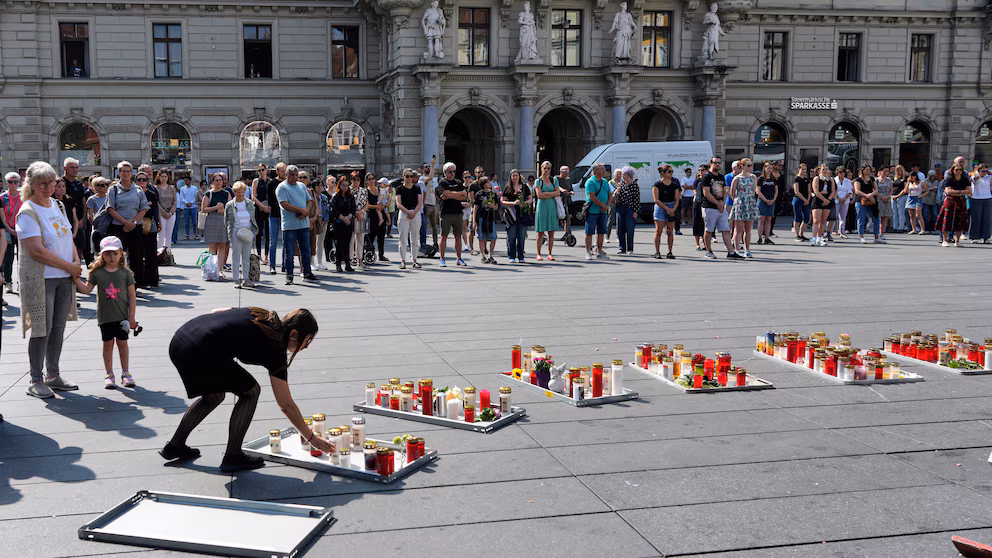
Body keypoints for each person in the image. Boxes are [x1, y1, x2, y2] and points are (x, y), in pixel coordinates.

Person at [161, 307, 330, 472]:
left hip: (180, 340)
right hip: (199, 350)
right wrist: (312, 438)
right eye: (307, 340)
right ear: (294, 334)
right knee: (251, 392)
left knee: (214, 396)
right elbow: (285, 404)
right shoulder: (276, 350)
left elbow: (216, 312)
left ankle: (175, 446)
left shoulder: (261, 314)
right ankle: (233, 456)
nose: (306, 346)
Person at [15, 161, 81, 398]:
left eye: (51, 182)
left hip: (63, 278)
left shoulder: (58, 205)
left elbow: (67, 238)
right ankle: (35, 379)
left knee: (58, 330)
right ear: (31, 184)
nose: (48, 187)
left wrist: (75, 263)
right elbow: (37, 251)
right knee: (42, 329)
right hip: (42, 279)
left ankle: (53, 375)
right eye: (42, 183)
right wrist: (70, 267)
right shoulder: (27, 211)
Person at [72, 236, 137, 388]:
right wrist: (75, 280)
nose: (111, 257)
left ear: (121, 253)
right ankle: (109, 374)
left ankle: (126, 373)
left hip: (122, 317)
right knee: (107, 344)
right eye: (107, 254)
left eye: (115, 253)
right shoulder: (97, 273)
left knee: (122, 344)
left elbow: (132, 295)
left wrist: (131, 317)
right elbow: (87, 289)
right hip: (105, 317)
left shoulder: (126, 273)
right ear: (101, 255)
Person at [105, 162, 150, 285]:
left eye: (128, 171)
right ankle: (118, 284)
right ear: (118, 173)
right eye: (123, 171)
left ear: (132, 173)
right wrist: (125, 222)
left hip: (135, 227)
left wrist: (133, 222)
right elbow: (110, 209)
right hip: (118, 228)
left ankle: (135, 285)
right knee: (117, 258)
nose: (125, 173)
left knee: (137, 258)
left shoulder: (138, 189)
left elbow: (144, 208)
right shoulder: (113, 189)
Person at [276, 165, 317, 284]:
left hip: (303, 224)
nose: (294, 177)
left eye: (296, 175)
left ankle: (307, 272)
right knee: (289, 252)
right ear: (286, 175)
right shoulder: (282, 187)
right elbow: (285, 204)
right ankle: (289, 275)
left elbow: (310, 200)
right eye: (292, 175)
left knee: (306, 250)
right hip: (289, 226)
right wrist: (301, 210)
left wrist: (307, 211)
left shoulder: (301, 186)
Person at [700, 159, 739, 259]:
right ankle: (709, 251)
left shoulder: (721, 176)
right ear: (710, 164)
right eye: (715, 163)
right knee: (709, 230)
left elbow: (725, 190)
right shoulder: (707, 176)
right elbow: (706, 193)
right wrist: (717, 203)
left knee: (726, 229)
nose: (717, 164)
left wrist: (723, 203)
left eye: (719, 163)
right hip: (709, 207)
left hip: (721, 207)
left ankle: (731, 252)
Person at [225, 181, 258, 288]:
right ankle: (236, 279)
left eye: (242, 192)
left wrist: (252, 232)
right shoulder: (229, 205)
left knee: (246, 256)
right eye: (238, 192)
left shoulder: (249, 203)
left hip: (248, 231)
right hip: (236, 231)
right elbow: (226, 220)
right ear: (234, 192)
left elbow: (253, 218)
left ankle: (246, 279)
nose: (241, 194)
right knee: (236, 256)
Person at [201, 173, 231, 280]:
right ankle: (211, 269)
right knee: (212, 246)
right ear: (212, 182)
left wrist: (224, 210)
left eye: (220, 180)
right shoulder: (208, 193)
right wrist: (216, 207)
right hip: (212, 220)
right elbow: (204, 209)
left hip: (223, 220)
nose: (218, 182)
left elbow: (230, 207)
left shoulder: (226, 193)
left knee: (222, 245)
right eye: (216, 180)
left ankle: (219, 269)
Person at [437, 162, 467, 267]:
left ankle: (459, 258)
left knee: (458, 236)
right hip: (446, 212)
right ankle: (442, 258)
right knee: (443, 236)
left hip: (458, 212)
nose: (452, 173)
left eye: (454, 171)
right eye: (450, 171)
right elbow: (445, 194)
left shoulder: (459, 182)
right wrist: (456, 195)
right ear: (445, 172)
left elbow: (464, 196)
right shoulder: (442, 183)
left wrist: (451, 195)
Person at [134, 171, 160, 288]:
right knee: (137, 253)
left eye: (143, 180)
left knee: (151, 253)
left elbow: (152, 208)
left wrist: (159, 222)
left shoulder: (152, 193)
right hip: (135, 224)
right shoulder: (132, 193)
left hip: (149, 224)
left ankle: (152, 279)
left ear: (147, 181)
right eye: (139, 179)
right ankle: (139, 280)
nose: (141, 182)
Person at [728, 158, 757, 257]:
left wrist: (750, 201)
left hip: (750, 202)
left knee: (748, 229)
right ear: (743, 166)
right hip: (740, 203)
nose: (750, 168)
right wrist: (738, 201)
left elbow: (753, 191)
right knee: (738, 229)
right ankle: (736, 249)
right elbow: (732, 193)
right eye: (748, 165)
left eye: (751, 165)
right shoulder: (737, 178)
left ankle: (747, 249)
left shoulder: (753, 177)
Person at [396, 168, 424, 269]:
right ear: (403, 177)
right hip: (404, 213)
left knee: (415, 238)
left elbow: (420, 202)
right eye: (407, 176)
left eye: (411, 176)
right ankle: (403, 261)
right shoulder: (399, 188)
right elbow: (398, 204)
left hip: (415, 213)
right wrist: (408, 212)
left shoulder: (416, 188)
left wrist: (414, 212)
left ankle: (414, 260)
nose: (409, 178)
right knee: (403, 238)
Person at [501, 169, 531, 263]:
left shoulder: (524, 187)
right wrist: (513, 203)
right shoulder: (508, 187)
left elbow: (530, 199)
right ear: (510, 177)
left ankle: (521, 256)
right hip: (511, 215)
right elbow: (502, 201)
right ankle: (511, 256)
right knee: (511, 237)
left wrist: (524, 203)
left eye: (516, 175)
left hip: (522, 215)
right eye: (513, 175)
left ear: (519, 176)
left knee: (521, 237)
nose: (514, 177)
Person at [534, 161, 562, 261]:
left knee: (551, 232)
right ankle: (538, 253)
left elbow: (558, 193)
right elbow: (539, 195)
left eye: (548, 168)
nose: (546, 170)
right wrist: (551, 193)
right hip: (542, 206)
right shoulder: (538, 181)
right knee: (540, 232)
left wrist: (546, 193)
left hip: (551, 206)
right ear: (541, 168)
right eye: (544, 168)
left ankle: (550, 253)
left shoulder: (554, 180)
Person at [651, 164, 680, 259]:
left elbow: (677, 199)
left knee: (670, 231)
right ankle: (657, 251)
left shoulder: (675, 185)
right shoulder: (657, 185)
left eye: (672, 171)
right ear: (663, 173)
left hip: (671, 206)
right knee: (658, 231)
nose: (671, 173)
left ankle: (670, 251)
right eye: (669, 171)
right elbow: (656, 199)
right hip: (660, 207)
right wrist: (666, 208)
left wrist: (673, 209)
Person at [583, 163, 612, 260]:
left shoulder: (605, 181)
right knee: (589, 232)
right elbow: (592, 197)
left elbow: (610, 194)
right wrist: (602, 205)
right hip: (592, 211)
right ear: (596, 171)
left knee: (601, 232)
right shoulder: (590, 182)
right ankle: (588, 251)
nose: (605, 171)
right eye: (603, 169)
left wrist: (607, 205)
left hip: (603, 211)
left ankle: (599, 251)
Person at [62, 158, 88, 264]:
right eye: (72, 167)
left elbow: (83, 203)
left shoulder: (78, 184)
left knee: (80, 247)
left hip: (80, 221)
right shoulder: (60, 183)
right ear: (65, 168)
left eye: (76, 167)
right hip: (66, 220)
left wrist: (83, 219)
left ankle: (77, 271)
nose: (75, 170)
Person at [939, 164, 971, 247]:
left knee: (959, 221)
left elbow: (970, 191)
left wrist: (956, 191)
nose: (958, 171)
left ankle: (957, 241)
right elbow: (948, 191)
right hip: (950, 201)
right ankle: (944, 240)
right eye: (957, 169)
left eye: (960, 169)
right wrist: (962, 192)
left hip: (961, 201)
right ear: (953, 170)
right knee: (947, 220)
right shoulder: (949, 179)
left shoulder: (965, 179)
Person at [330, 175, 357, 272]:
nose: (345, 187)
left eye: (346, 185)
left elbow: (354, 208)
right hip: (339, 222)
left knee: (347, 244)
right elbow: (333, 210)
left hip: (348, 222)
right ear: (339, 185)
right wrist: (342, 217)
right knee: (339, 244)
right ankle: (338, 264)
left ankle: (347, 264)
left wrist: (349, 216)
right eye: (343, 185)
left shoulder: (350, 196)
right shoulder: (336, 196)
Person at [2, 172, 22, 294]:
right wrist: (9, 229)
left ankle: (21, 282)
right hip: (7, 230)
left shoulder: (24, 196)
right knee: (8, 258)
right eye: (10, 181)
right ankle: (8, 282)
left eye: (15, 182)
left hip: (22, 231)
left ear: (19, 182)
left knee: (23, 259)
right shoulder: (2, 197)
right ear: (6, 183)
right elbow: (1, 216)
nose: (13, 184)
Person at [854, 163, 883, 244]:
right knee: (861, 218)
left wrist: (872, 194)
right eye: (867, 169)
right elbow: (857, 191)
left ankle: (876, 236)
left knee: (876, 218)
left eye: (869, 170)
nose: (868, 171)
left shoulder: (872, 179)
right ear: (862, 170)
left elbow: (876, 189)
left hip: (872, 199)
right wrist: (866, 195)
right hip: (861, 200)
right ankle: (861, 236)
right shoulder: (858, 180)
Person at [473, 176, 499, 264]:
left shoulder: (493, 194)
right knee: (481, 237)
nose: (490, 183)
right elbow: (475, 208)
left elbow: (496, 207)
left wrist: (492, 206)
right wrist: (474, 221)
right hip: (481, 218)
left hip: (491, 218)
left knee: (493, 237)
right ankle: (483, 255)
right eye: (488, 182)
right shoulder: (479, 194)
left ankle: (491, 255)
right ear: (484, 185)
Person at [266, 163, 287, 273]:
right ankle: (272, 265)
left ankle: (284, 264)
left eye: (285, 171)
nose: (284, 173)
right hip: (274, 214)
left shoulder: (287, 183)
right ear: (277, 171)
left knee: (285, 240)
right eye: (282, 171)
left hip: (286, 215)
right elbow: (270, 200)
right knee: (273, 241)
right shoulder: (271, 183)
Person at [615, 166, 640, 255]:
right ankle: (622, 248)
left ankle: (630, 248)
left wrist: (635, 211)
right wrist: (618, 190)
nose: (622, 176)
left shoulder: (635, 186)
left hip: (630, 209)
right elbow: (616, 197)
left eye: (624, 175)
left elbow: (636, 199)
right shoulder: (622, 185)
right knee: (620, 229)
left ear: (629, 176)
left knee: (629, 229)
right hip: (621, 208)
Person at [809, 164, 835, 247]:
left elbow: (833, 191)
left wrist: (828, 200)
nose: (825, 171)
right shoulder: (816, 178)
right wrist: (823, 200)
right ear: (819, 171)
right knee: (816, 220)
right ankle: (813, 238)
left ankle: (819, 237)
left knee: (823, 221)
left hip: (827, 199)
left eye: (826, 169)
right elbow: (815, 190)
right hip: (818, 199)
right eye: (823, 169)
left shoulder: (831, 179)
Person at [755, 162, 778, 245]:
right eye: (768, 168)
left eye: (771, 168)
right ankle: (760, 237)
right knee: (761, 219)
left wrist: (773, 199)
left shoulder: (773, 179)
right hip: (762, 201)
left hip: (771, 201)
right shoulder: (761, 179)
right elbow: (758, 191)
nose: (769, 170)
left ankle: (767, 238)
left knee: (769, 220)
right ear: (764, 168)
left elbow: (776, 190)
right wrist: (765, 200)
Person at [367, 176, 389, 262]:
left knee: (381, 237)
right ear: (366, 181)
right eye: (369, 179)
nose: (372, 180)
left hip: (381, 214)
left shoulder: (381, 190)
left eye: (373, 178)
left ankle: (381, 255)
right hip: (371, 215)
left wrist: (384, 206)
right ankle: (369, 254)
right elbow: (366, 205)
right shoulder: (366, 191)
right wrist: (376, 206)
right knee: (370, 237)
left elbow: (387, 201)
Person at [969, 164, 992, 243]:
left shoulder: (988, 177)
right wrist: (978, 174)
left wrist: (989, 173)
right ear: (979, 171)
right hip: (977, 198)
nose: (984, 173)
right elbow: (973, 179)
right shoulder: (975, 177)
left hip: (987, 198)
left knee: (987, 219)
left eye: (986, 171)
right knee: (976, 218)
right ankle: (974, 237)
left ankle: (986, 237)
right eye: (983, 171)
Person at [156, 170, 178, 252]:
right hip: (161, 214)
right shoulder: (156, 188)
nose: (164, 178)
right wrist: (164, 213)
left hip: (171, 214)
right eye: (162, 176)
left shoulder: (172, 188)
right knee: (160, 235)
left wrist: (170, 213)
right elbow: (156, 203)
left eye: (165, 176)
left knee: (168, 236)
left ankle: (168, 254)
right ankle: (159, 254)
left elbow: (175, 202)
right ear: (159, 177)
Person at [352, 173, 370, 269]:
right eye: (354, 180)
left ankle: (360, 260)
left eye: (358, 180)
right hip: (352, 216)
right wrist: (355, 212)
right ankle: (350, 258)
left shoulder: (364, 190)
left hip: (363, 215)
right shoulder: (349, 190)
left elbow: (367, 204)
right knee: (351, 239)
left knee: (361, 239)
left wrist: (361, 211)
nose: (356, 182)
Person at [312, 178, 330, 270]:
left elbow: (327, 210)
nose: (319, 187)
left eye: (321, 185)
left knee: (320, 242)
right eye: (317, 185)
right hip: (314, 219)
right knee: (312, 242)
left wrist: (325, 220)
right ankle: (312, 262)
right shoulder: (311, 196)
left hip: (323, 220)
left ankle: (320, 262)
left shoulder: (324, 197)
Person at [832, 166, 854, 239]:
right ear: (837, 173)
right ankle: (830, 231)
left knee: (843, 217)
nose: (842, 174)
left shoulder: (848, 181)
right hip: (836, 199)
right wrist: (839, 198)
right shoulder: (834, 180)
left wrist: (844, 199)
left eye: (843, 172)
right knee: (833, 216)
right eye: (840, 172)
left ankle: (842, 231)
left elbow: (849, 191)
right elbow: (833, 190)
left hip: (845, 200)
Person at [792, 164, 811, 242]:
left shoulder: (807, 180)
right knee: (797, 217)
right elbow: (796, 191)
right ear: (799, 169)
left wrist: (808, 199)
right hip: (798, 200)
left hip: (806, 200)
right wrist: (804, 199)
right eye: (802, 169)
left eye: (805, 169)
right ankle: (797, 235)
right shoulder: (797, 179)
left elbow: (809, 191)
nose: (804, 171)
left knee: (807, 217)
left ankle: (801, 233)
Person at [692, 164, 708, 251]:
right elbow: (695, 192)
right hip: (698, 203)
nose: (701, 171)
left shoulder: (708, 180)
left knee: (705, 224)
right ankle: (697, 243)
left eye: (702, 170)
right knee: (696, 222)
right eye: (699, 170)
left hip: (706, 203)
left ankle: (705, 243)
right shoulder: (697, 181)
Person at [555, 165, 573, 237]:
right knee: (558, 217)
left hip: (567, 200)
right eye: (565, 171)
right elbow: (556, 186)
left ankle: (567, 233)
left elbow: (571, 188)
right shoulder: (556, 178)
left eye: (568, 171)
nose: (567, 173)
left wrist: (571, 192)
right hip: (559, 200)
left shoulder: (569, 179)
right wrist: (562, 190)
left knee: (567, 217)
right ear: (561, 172)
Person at [876, 167, 894, 239]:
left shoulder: (889, 180)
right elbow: (875, 190)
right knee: (878, 216)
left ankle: (882, 233)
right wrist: (881, 197)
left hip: (887, 199)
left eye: (887, 171)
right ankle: (876, 232)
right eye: (884, 171)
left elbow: (891, 190)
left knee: (885, 216)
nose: (886, 172)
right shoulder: (876, 180)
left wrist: (888, 197)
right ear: (881, 171)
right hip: (879, 199)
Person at [890, 166, 909, 233]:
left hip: (901, 196)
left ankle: (901, 227)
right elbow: (891, 187)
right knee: (894, 212)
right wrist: (891, 195)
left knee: (901, 212)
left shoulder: (905, 178)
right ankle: (895, 226)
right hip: (893, 196)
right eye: (896, 171)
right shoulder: (894, 178)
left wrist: (898, 196)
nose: (897, 172)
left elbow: (905, 190)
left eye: (898, 171)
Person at [921, 170, 940, 234]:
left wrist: (935, 189)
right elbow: (922, 190)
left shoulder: (936, 182)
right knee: (925, 215)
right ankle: (927, 228)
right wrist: (929, 189)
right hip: (926, 200)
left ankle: (932, 228)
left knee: (934, 215)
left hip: (933, 200)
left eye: (933, 176)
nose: (932, 177)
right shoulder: (925, 181)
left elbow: (939, 190)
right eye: (931, 176)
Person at [607, 168, 623, 242]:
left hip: (620, 202)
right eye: (617, 174)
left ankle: (618, 236)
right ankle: (607, 236)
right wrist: (618, 189)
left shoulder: (622, 182)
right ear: (614, 175)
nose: (618, 175)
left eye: (620, 174)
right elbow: (612, 193)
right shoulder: (610, 182)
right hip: (612, 202)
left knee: (619, 220)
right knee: (610, 219)